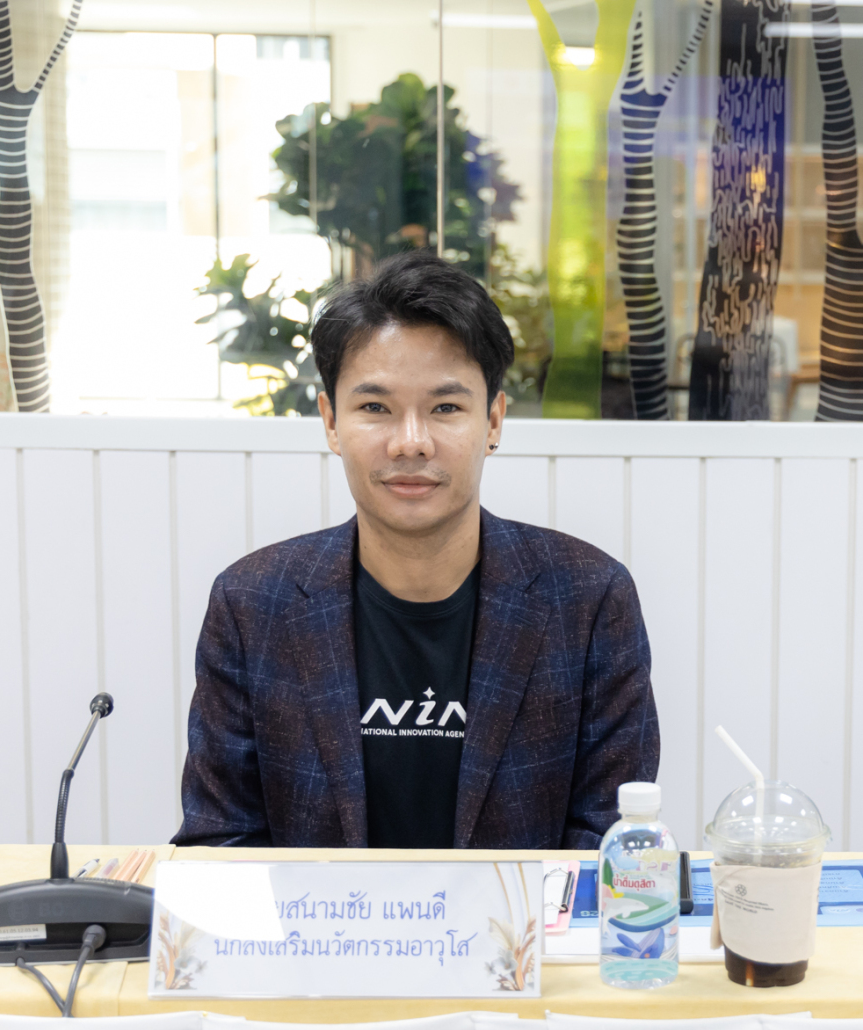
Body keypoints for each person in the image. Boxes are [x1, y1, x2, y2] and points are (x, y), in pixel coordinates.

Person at [173, 251, 658, 850]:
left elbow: (610, 844)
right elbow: (220, 843)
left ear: (494, 421)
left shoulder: (589, 598)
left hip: (522, 917)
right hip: (320, 917)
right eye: (375, 408)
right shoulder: (252, 604)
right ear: (330, 421)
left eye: (445, 408)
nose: (410, 443)